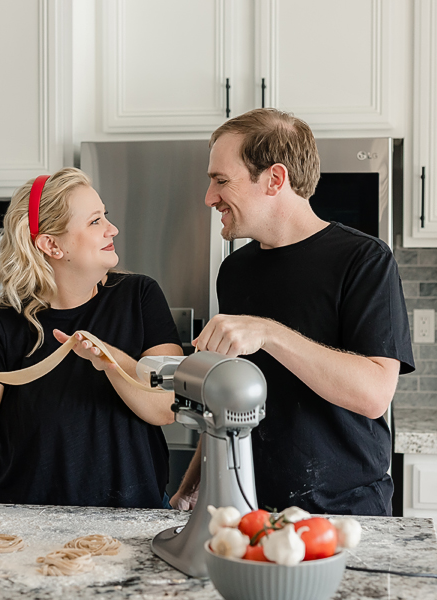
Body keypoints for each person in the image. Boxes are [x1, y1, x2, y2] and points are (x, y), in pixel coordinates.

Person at [171, 109, 414, 516]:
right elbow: (227, 396)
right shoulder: (235, 270)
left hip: (343, 515)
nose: (209, 197)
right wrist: (192, 485)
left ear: (275, 179)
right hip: (250, 510)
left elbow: (374, 394)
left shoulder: (364, 260)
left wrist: (270, 332)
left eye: (221, 180)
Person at [0, 167, 183, 509]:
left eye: (105, 217)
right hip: (27, 530)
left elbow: (168, 407)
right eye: (95, 221)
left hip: (134, 521)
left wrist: (110, 362)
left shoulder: (140, 297)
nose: (112, 229)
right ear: (52, 245)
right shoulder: (2, 328)